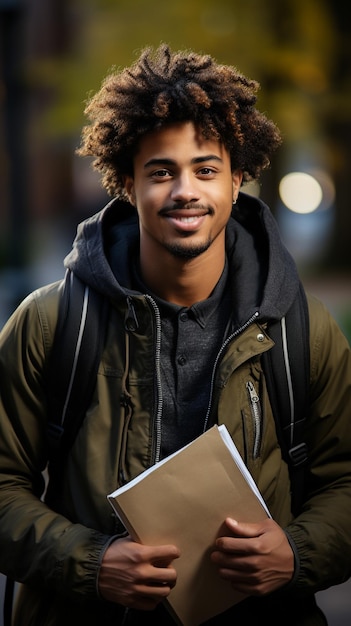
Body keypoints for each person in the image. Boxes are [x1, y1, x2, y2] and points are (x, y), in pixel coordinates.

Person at [0, 44, 350, 626]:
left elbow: (344, 481)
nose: (185, 190)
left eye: (206, 169)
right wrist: (90, 563)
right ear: (128, 184)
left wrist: (296, 552)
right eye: (161, 171)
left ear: (237, 181)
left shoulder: (303, 330)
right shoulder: (50, 323)